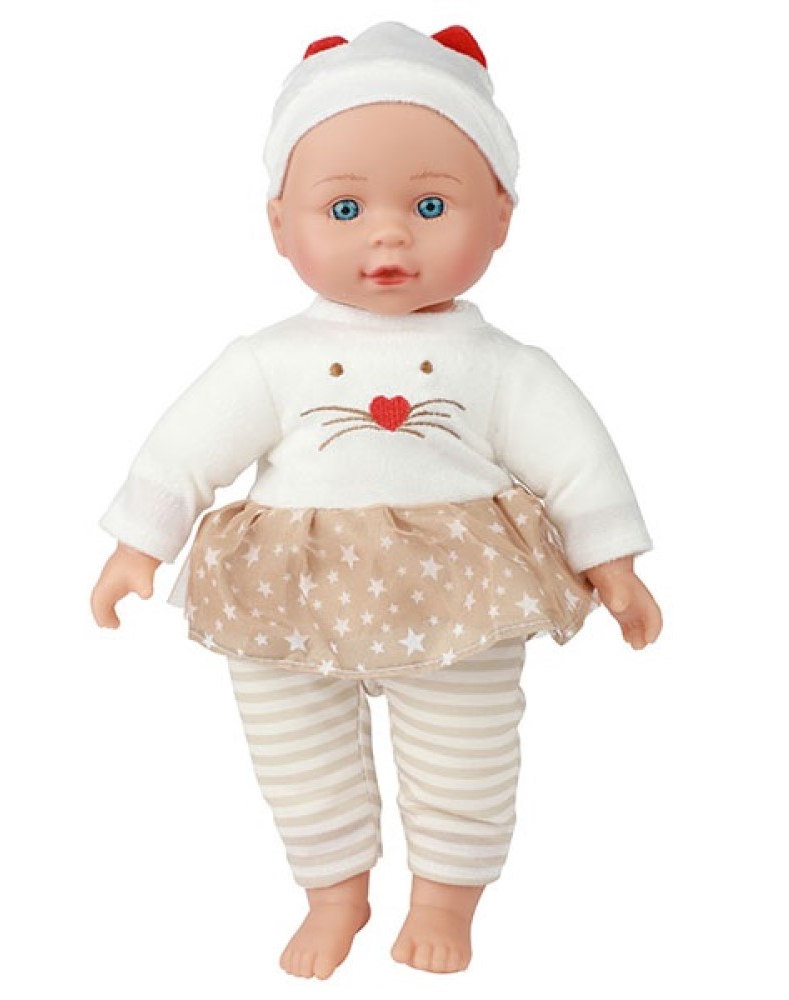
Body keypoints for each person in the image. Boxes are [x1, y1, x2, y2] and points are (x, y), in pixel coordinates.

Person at [91, 21, 662, 979]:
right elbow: (186, 448)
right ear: (280, 225)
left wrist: (614, 562)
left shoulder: (503, 367)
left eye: (432, 204)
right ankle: (333, 892)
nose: (390, 234)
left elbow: (579, 462)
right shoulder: (269, 360)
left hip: (462, 589)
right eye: (345, 207)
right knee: (295, 748)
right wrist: (138, 543)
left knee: (467, 747)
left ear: (501, 217)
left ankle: (445, 897)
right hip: (289, 586)